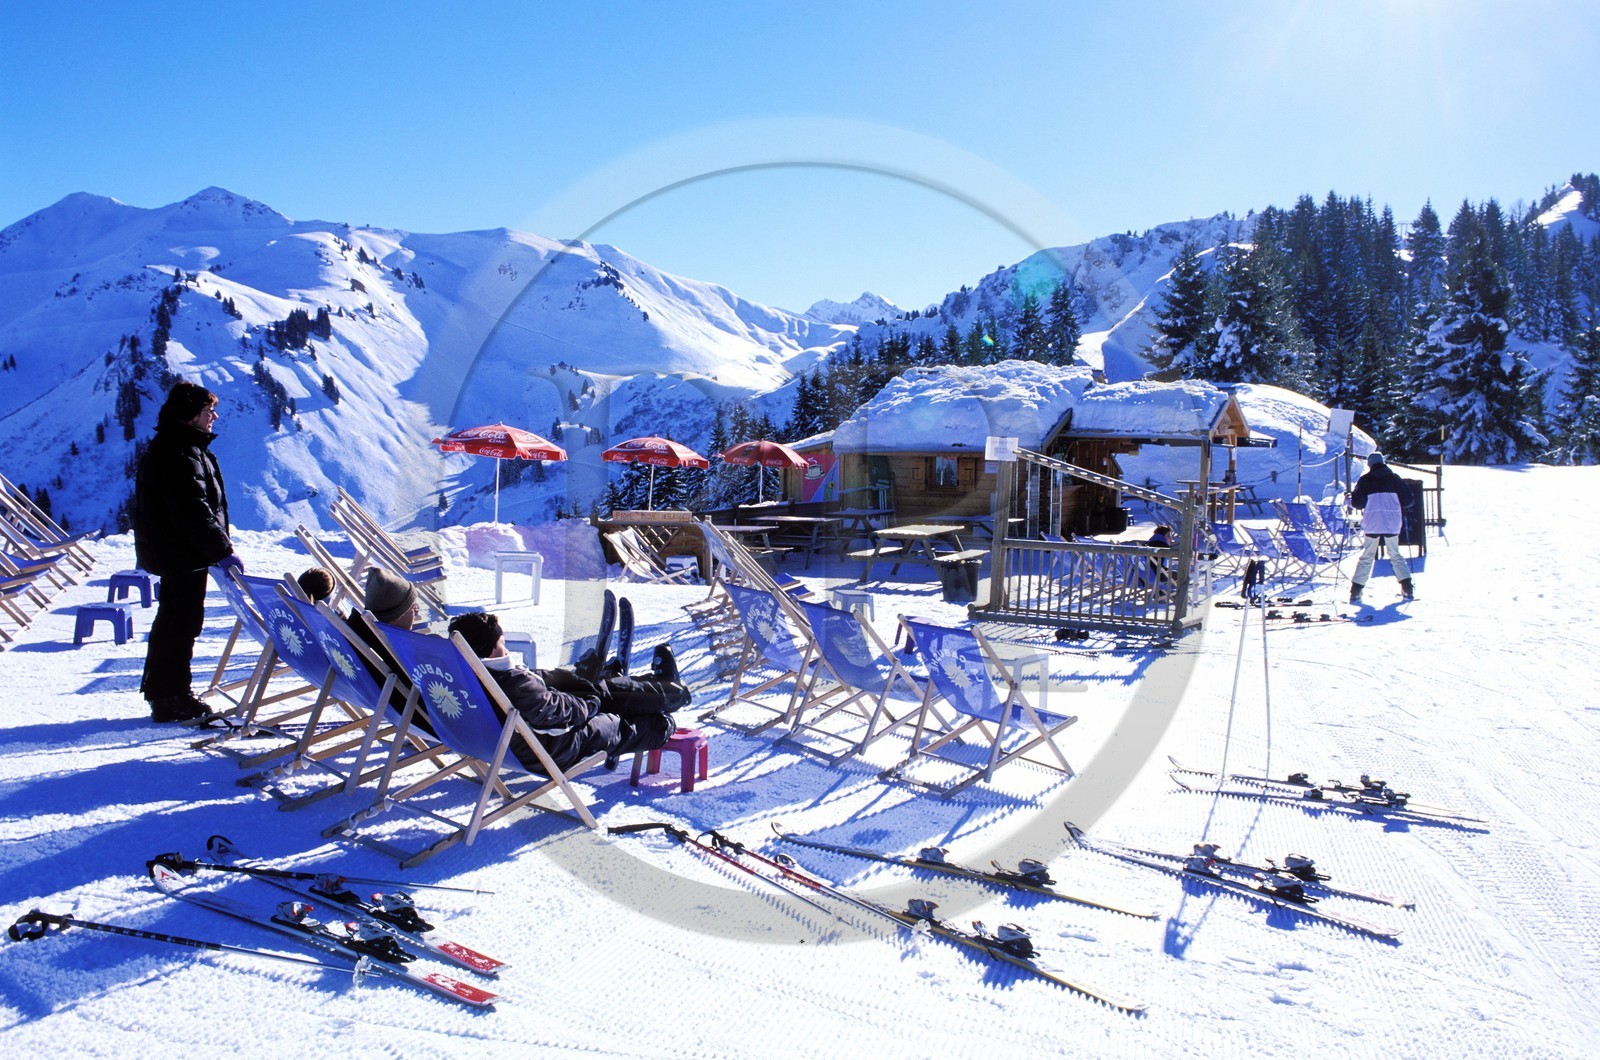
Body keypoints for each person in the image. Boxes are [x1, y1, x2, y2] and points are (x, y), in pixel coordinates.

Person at [447, 610, 689, 774]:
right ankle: (663, 721)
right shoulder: (511, 682)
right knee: (611, 722)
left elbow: (531, 693)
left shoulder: (461, 675)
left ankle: (660, 686)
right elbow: (554, 712)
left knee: (602, 689)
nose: (505, 646)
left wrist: (561, 678)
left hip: (507, 746)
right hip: (547, 749)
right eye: (502, 642)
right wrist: (589, 702)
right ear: (490, 650)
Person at [133, 381, 240, 723]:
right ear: (191, 415)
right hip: (181, 553)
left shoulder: (181, 447)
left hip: (179, 552)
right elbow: (191, 511)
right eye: (208, 411)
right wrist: (222, 549)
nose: (214, 417)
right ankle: (171, 696)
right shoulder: (179, 452)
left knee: (176, 621)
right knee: (181, 623)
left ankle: (166, 691)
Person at [1348, 452, 1414, 604]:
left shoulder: (1365, 480)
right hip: (1392, 522)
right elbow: (1409, 501)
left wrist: (1348, 500)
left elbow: (1357, 503)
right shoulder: (1394, 478)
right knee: (1395, 554)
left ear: (1370, 465)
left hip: (1372, 522)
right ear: (1383, 463)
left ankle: (1356, 591)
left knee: (1367, 556)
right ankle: (1407, 588)